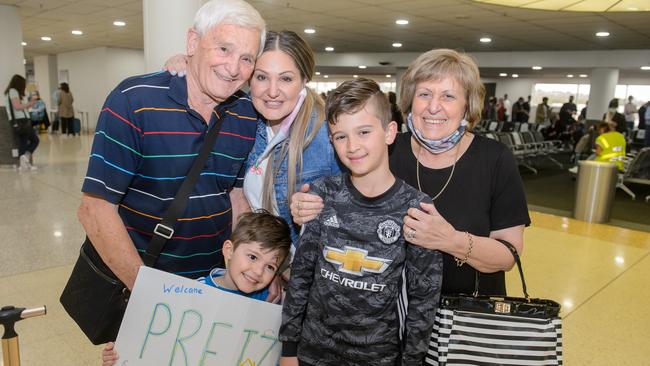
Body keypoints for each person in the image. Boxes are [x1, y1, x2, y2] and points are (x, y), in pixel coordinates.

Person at [291, 48, 529, 298]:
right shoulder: (386, 149)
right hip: (393, 316)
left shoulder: (494, 159)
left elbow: (508, 255)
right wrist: (308, 204)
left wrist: (449, 240)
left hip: (465, 317)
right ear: (410, 100)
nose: (433, 107)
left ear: (467, 106)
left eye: (448, 96)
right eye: (424, 94)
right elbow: (343, 202)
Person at [77, 0, 267, 296]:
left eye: (247, 58)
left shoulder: (246, 113)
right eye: (224, 49)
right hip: (140, 278)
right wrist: (147, 295)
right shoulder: (134, 100)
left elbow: (236, 195)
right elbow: (95, 209)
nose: (233, 69)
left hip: (215, 283)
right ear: (193, 41)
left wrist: (244, 272)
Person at [279, 79, 442, 366]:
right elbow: (302, 277)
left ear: (389, 132)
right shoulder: (322, 194)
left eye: (364, 132)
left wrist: (412, 361)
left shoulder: (416, 209)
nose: (352, 146)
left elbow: (423, 299)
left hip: (378, 356)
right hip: (312, 353)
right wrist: (289, 349)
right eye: (340, 136)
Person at [165, 30, 343, 249]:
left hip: (313, 272)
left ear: (304, 80)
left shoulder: (327, 136)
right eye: (261, 77)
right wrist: (186, 64)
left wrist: (324, 209)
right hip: (262, 265)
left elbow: (361, 210)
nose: (272, 91)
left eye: (286, 78)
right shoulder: (241, 120)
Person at [100, 210, 292, 366]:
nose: (258, 271)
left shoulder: (272, 302)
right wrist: (122, 354)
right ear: (229, 250)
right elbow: (156, 346)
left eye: (270, 267)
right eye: (252, 256)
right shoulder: (192, 295)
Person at [4, 74, 39, 171]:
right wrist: (29, 104)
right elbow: (17, 106)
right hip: (20, 121)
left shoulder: (12, 92)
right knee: (26, 141)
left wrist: (28, 103)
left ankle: (24, 161)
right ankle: (23, 163)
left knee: (31, 141)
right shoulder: (13, 91)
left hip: (22, 120)